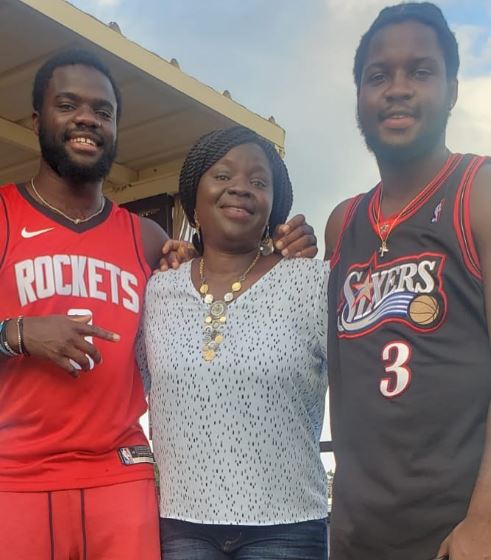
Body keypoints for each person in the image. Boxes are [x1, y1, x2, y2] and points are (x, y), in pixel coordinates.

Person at [0, 50, 316, 559]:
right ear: (38, 119)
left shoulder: (147, 239)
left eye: (103, 111)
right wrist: (16, 333)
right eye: (68, 104)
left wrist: (278, 248)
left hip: (120, 476)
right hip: (13, 477)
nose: (87, 119)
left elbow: (209, 273)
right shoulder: (4, 214)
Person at [324, 3, 491, 559]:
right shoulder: (343, 222)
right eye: (379, 75)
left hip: (456, 535)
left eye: (420, 71)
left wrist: (484, 520)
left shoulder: (478, 192)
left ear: (450, 90)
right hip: (357, 534)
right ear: (359, 96)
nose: (397, 88)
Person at [139, 126, 329, 560]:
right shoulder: (157, 290)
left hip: (288, 527)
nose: (240, 188)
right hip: (182, 526)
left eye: (259, 182)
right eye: (223, 176)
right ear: (194, 197)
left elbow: (362, 387)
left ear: (274, 205)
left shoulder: (313, 281)